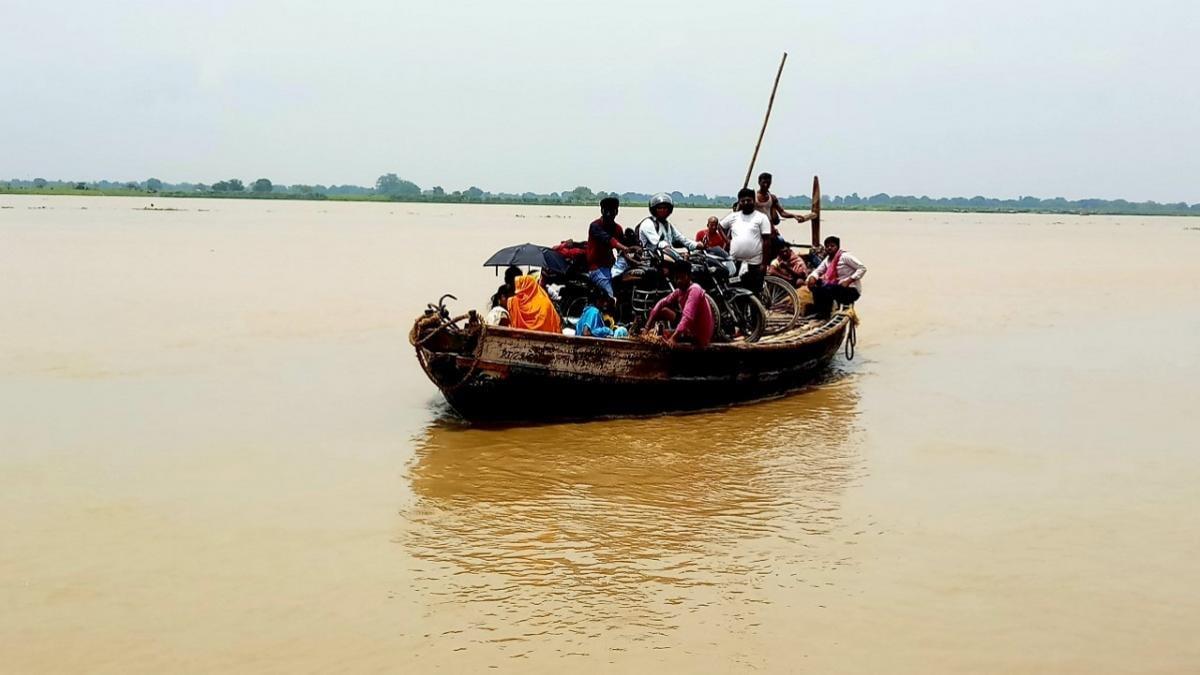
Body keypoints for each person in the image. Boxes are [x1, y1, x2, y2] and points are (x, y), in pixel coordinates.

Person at [644, 261, 714, 347]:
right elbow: (661, 303)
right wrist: (647, 326)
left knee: (666, 338)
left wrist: (674, 338)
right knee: (663, 311)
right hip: (690, 330)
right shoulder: (680, 291)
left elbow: (687, 317)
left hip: (700, 336)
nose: (678, 281)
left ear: (689, 277)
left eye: (682, 277)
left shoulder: (695, 289)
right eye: (676, 278)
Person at [719, 188, 773, 294]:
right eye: (743, 201)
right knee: (735, 290)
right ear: (739, 202)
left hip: (755, 263)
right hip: (735, 262)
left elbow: (767, 241)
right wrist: (727, 241)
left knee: (754, 292)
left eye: (749, 200)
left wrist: (764, 264)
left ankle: (755, 310)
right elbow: (720, 226)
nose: (746, 203)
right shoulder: (733, 217)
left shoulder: (761, 218)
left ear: (753, 201)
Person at [806, 235, 866, 319]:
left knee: (826, 289)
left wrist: (849, 280)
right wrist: (812, 278)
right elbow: (818, 271)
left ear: (837, 247)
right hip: (837, 288)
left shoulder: (845, 257)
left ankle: (825, 314)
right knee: (816, 285)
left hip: (851, 290)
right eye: (827, 246)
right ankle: (820, 311)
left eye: (832, 246)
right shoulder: (827, 260)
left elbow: (862, 268)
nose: (829, 248)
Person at [586, 197, 631, 298]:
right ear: (602, 211)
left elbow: (622, 248)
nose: (609, 214)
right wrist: (623, 247)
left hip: (611, 266)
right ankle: (610, 311)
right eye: (607, 211)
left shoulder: (618, 228)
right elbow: (608, 239)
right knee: (611, 296)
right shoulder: (595, 226)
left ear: (616, 211)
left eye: (612, 210)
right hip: (596, 267)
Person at [637, 193, 700, 262]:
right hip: (650, 259)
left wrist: (697, 245)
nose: (663, 210)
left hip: (666, 256)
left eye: (665, 208)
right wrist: (677, 254)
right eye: (659, 208)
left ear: (669, 209)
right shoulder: (648, 223)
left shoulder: (668, 225)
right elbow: (659, 243)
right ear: (654, 209)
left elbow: (681, 239)